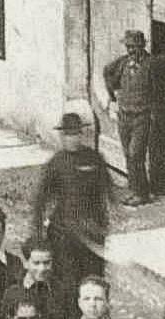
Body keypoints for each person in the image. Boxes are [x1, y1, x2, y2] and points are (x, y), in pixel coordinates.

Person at [32, 111, 114, 297]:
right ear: (62, 136)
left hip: (92, 230)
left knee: (94, 278)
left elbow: (107, 191)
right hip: (64, 233)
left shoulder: (94, 159)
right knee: (67, 280)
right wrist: (38, 232)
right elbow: (41, 200)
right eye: (68, 135)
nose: (72, 139)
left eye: (76, 134)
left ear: (81, 134)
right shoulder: (56, 163)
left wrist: (105, 226)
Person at [98, 28, 154, 206]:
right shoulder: (123, 63)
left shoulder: (150, 63)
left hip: (141, 117)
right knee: (128, 156)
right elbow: (107, 70)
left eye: (134, 47)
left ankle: (142, 193)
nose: (131, 51)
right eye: (128, 47)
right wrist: (112, 94)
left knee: (136, 153)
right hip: (124, 117)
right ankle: (135, 191)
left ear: (142, 46)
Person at [4, 238, 69, 319]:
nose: (42, 269)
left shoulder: (62, 290)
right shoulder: (12, 292)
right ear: (26, 263)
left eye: (46, 263)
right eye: (36, 263)